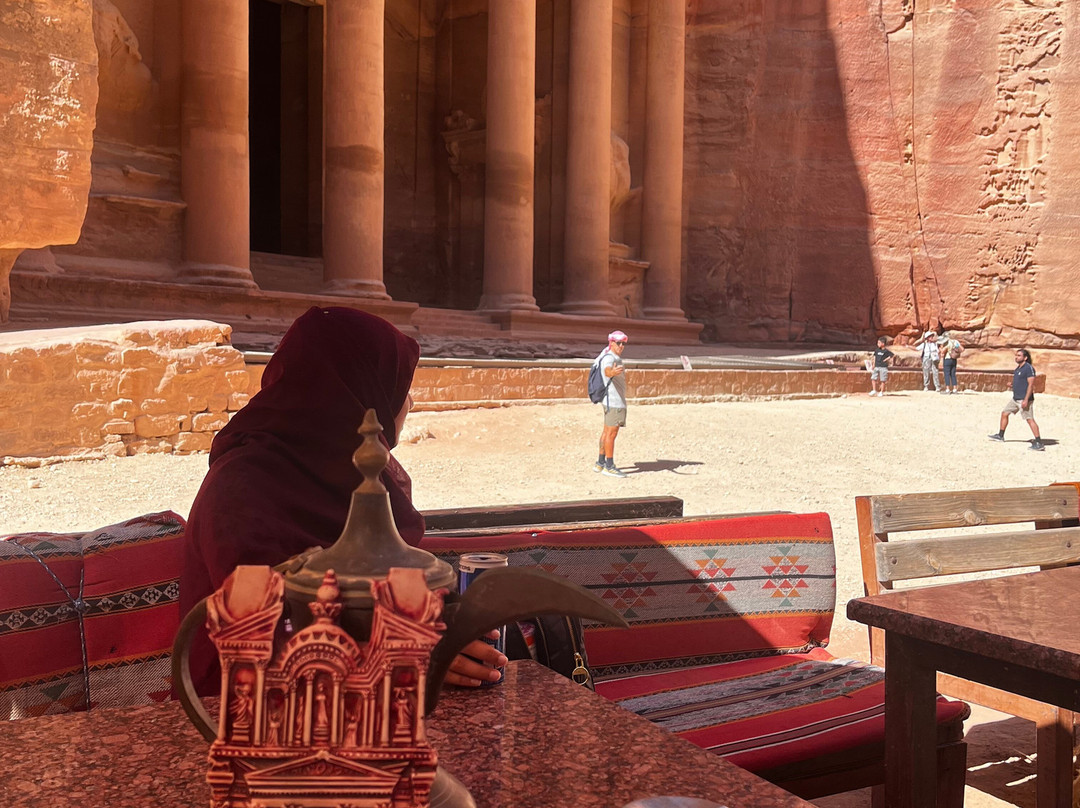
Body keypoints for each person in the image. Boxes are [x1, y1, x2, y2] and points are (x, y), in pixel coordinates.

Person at [179, 306, 506, 695]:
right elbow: (260, 632)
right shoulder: (241, 489)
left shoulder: (353, 475)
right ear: (363, 392)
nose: (409, 403)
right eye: (399, 385)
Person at [988, 348, 1044, 451]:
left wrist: (1026, 400)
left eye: (1019, 355)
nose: (1016, 357)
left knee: (1029, 419)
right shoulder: (1018, 368)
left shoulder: (1028, 368)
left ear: (1025, 358)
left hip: (1024, 399)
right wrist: (1012, 385)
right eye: (1016, 355)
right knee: (1004, 413)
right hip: (1015, 398)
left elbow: (1030, 385)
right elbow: (1021, 382)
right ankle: (1000, 435)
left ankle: (1038, 442)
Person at [592, 330, 629, 478]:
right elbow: (607, 371)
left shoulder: (609, 356)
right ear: (612, 343)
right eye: (618, 343)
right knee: (611, 434)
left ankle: (600, 463)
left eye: (623, 343)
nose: (621, 346)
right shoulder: (610, 358)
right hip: (614, 401)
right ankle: (609, 466)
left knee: (607, 432)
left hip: (610, 401)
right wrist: (612, 372)